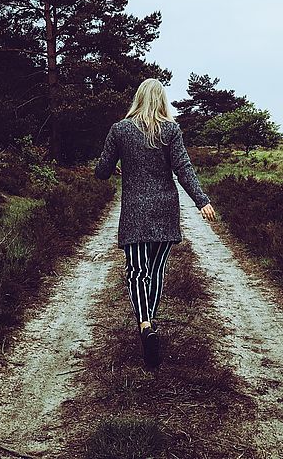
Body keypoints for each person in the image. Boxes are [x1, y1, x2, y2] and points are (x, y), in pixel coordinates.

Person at [94, 78, 216, 369]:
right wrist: (202, 201)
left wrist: (117, 169)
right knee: (156, 270)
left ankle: (145, 324)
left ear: (137, 98)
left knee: (136, 271)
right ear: (162, 100)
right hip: (165, 210)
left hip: (135, 211)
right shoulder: (171, 130)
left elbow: (101, 171)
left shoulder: (119, 130)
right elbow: (183, 169)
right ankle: (152, 320)